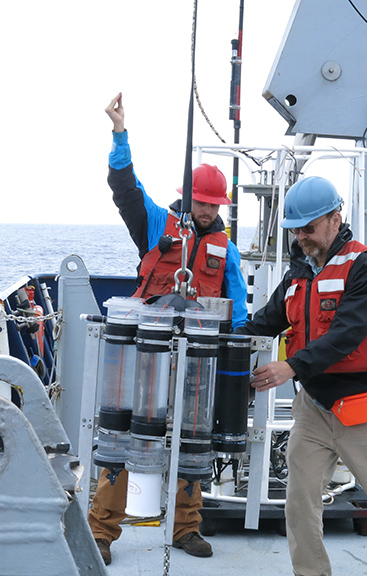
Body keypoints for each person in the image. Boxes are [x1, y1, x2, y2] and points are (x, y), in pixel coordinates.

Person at [235, 176, 367, 576]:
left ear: (335, 219)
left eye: (309, 229)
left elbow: (348, 334)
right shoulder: (298, 275)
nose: (301, 238)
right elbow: (263, 323)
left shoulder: (365, 268)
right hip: (314, 409)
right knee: (299, 504)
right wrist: (213, 339)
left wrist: (290, 367)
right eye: (295, 230)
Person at [88, 92, 248, 565]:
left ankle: (186, 528)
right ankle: (102, 532)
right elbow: (125, 189)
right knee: (122, 438)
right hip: (145, 358)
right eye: (200, 201)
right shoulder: (158, 223)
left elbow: (236, 310)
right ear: (189, 196)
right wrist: (120, 134)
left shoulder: (227, 251)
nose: (205, 210)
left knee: (194, 441)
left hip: (198, 361)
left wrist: (236, 358)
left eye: (212, 204)